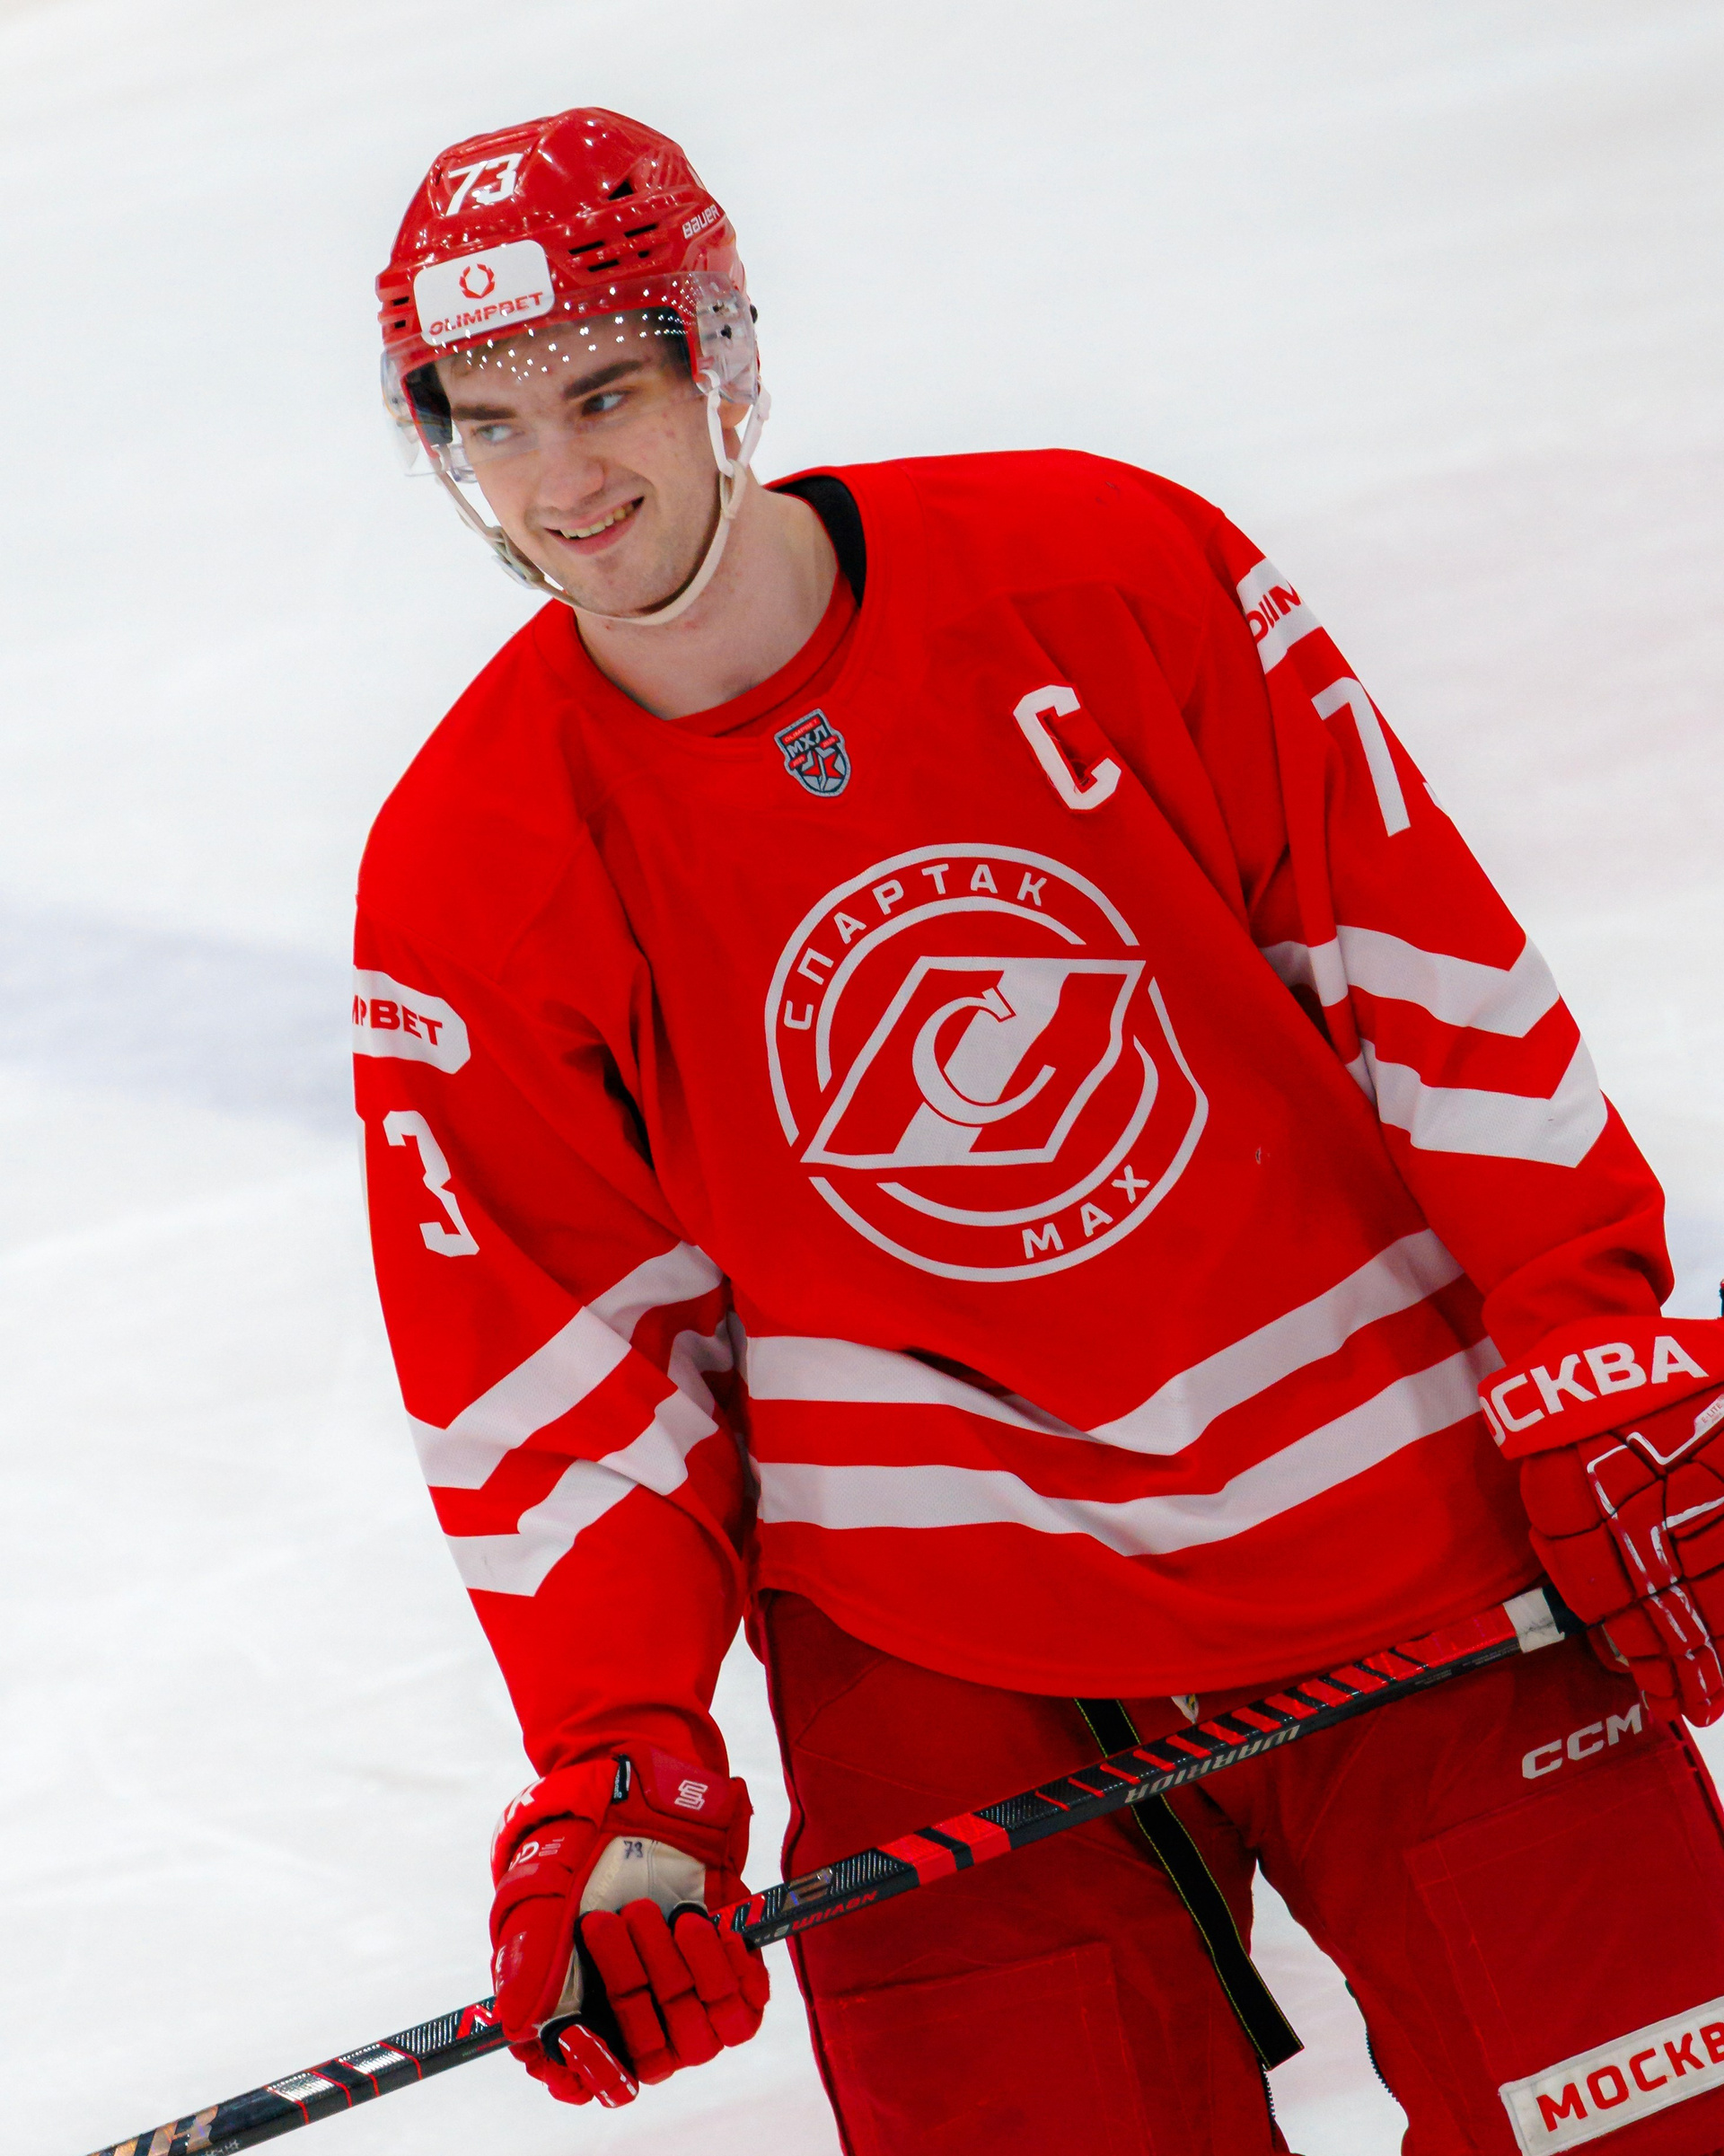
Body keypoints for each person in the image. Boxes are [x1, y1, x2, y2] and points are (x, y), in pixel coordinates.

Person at [356, 105, 1724, 2154]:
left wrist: (1585, 1328)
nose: (561, 483)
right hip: (947, 1655)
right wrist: (624, 1763)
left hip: (1408, 1536)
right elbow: (554, 1360)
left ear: (719, 356)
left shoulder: (1111, 567)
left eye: (604, 393)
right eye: (491, 426)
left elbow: (1420, 973)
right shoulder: (471, 863)